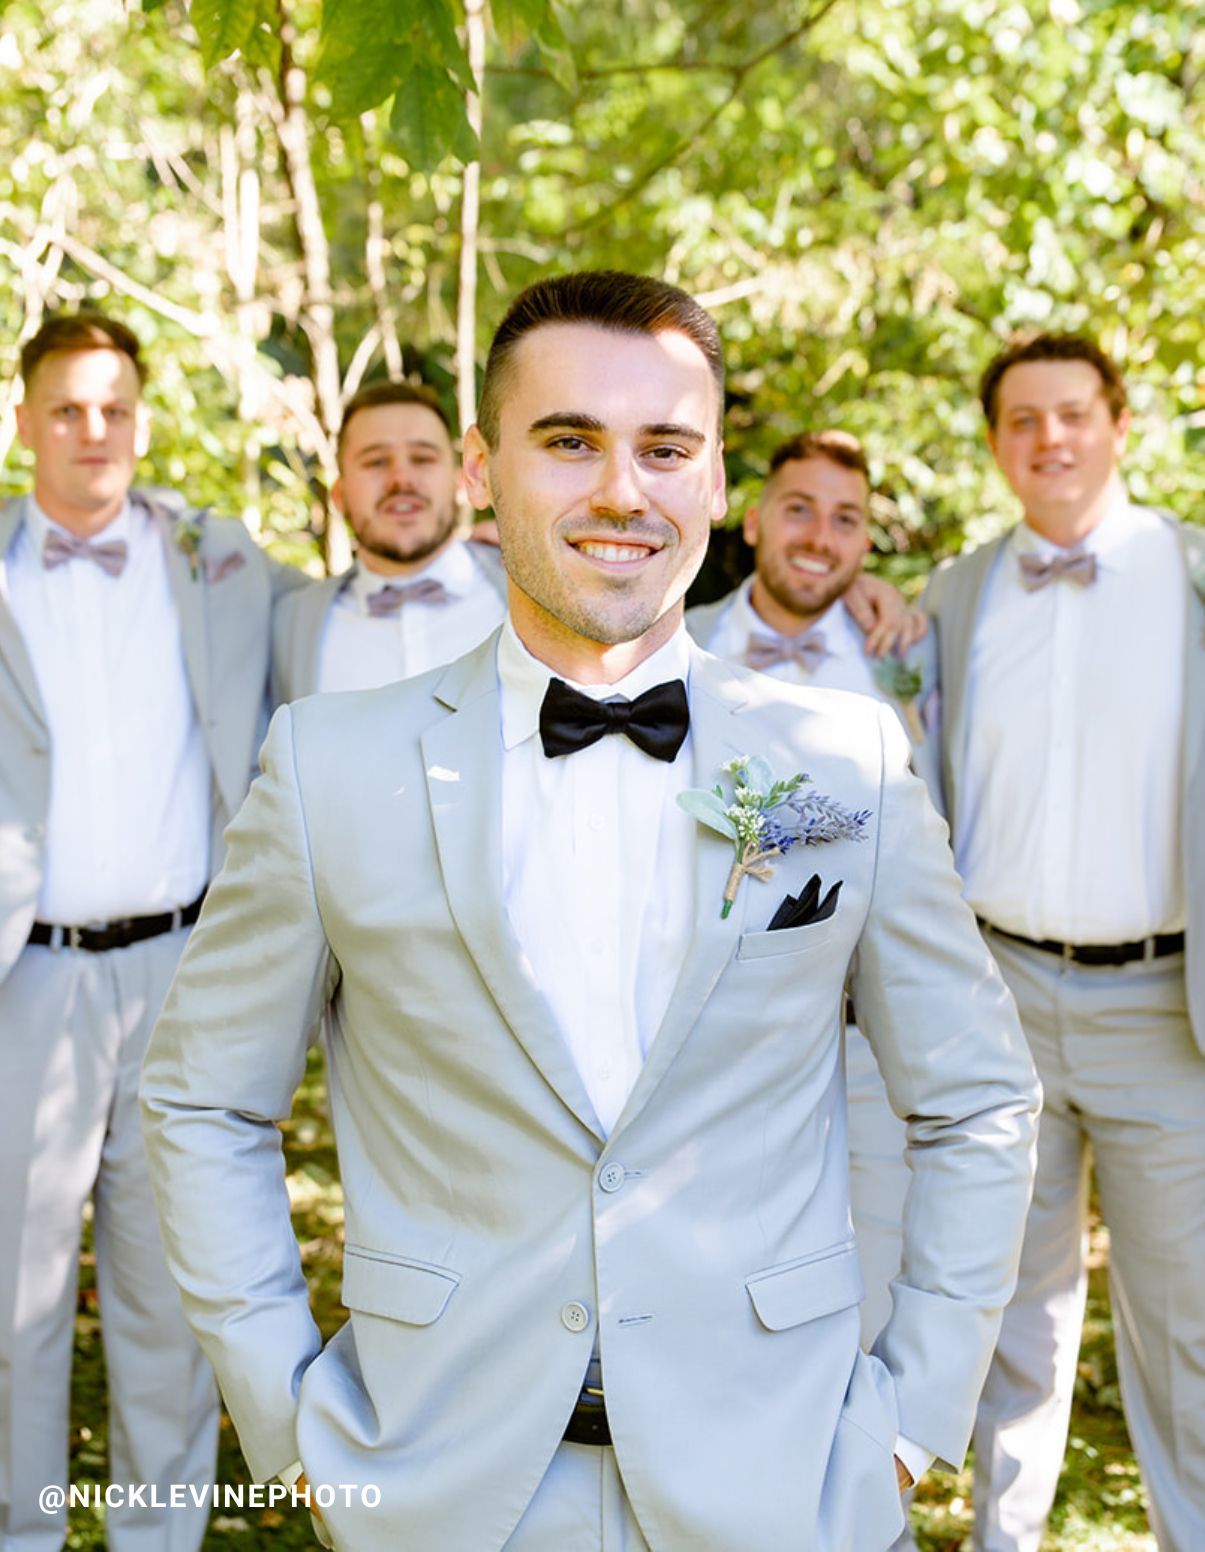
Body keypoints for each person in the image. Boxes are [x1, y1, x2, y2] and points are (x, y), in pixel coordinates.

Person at [141, 271, 1039, 1552]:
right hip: (442, 1490)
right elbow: (202, 1100)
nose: (623, 489)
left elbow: (976, 1099)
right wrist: (290, 1426)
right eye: (569, 442)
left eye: (663, 447)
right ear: (480, 470)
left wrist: (905, 1427)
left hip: (784, 1483)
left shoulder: (844, 761)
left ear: (713, 479)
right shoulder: (328, 763)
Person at [0, 313, 301, 1551]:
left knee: (170, 1292)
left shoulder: (216, 555)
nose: (94, 430)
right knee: (16, 1291)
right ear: (22, 422)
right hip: (29, 977)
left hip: (186, 968)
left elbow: (376, 605)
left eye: (115, 407)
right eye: (67, 407)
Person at [922, 331, 1205, 1552]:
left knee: (1186, 1325)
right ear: (993, 444)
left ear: (1118, 423)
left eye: (1071, 413)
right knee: (1009, 1313)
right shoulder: (949, 594)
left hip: (1167, 1006)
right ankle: (1003, 1539)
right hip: (996, 995)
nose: (1048, 438)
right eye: (1021, 419)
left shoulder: (1192, 576)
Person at [688, 427, 941, 1319]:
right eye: (797, 509)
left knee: (877, 1253)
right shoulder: (675, 642)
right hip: (717, 1020)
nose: (818, 537)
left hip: (875, 1018)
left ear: (864, 543)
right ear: (751, 520)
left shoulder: (907, 652)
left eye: (844, 520)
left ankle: (869, 1452)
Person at [271, 381, 507, 702]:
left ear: (461, 481)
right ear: (340, 496)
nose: (401, 479)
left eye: (422, 458)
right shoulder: (290, 626)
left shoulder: (526, 587)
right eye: (376, 462)